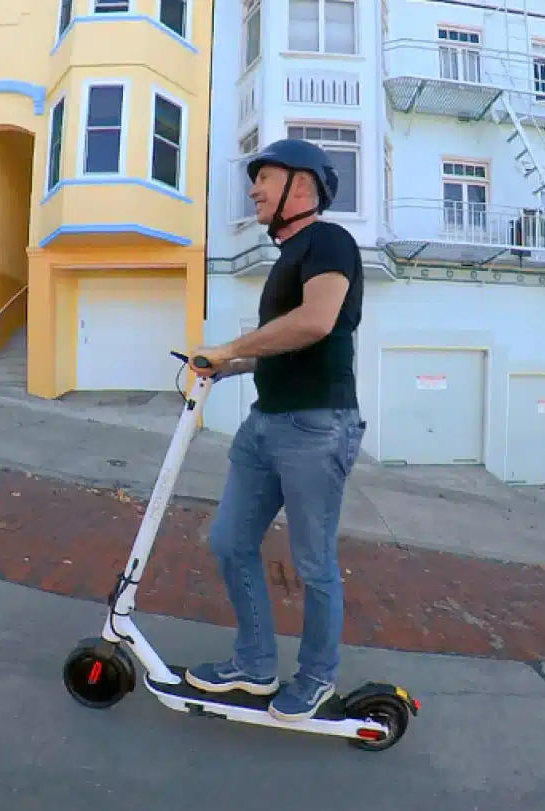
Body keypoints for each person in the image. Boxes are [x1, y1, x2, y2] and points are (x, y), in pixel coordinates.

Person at [183, 137, 366, 722]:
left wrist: (231, 345)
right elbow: (281, 349)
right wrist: (228, 365)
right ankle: (256, 666)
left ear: (303, 185)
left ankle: (316, 679)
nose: (254, 189)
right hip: (265, 425)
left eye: (265, 178)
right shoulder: (285, 259)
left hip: (317, 427)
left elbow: (315, 323)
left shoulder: (330, 241)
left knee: (313, 564)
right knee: (230, 541)